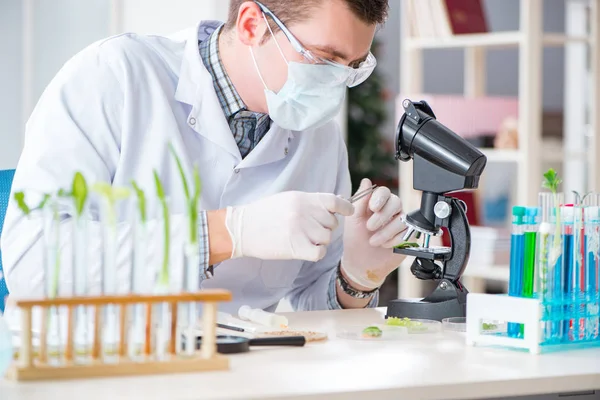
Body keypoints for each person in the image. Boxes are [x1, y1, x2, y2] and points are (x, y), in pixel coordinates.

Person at [2, 0, 406, 314]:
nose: (337, 85)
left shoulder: (319, 137)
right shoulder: (114, 76)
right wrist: (226, 233)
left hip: (247, 374)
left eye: (352, 68)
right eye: (322, 59)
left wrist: (355, 277)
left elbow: (310, 308)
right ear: (251, 25)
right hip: (102, 365)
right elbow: (33, 264)